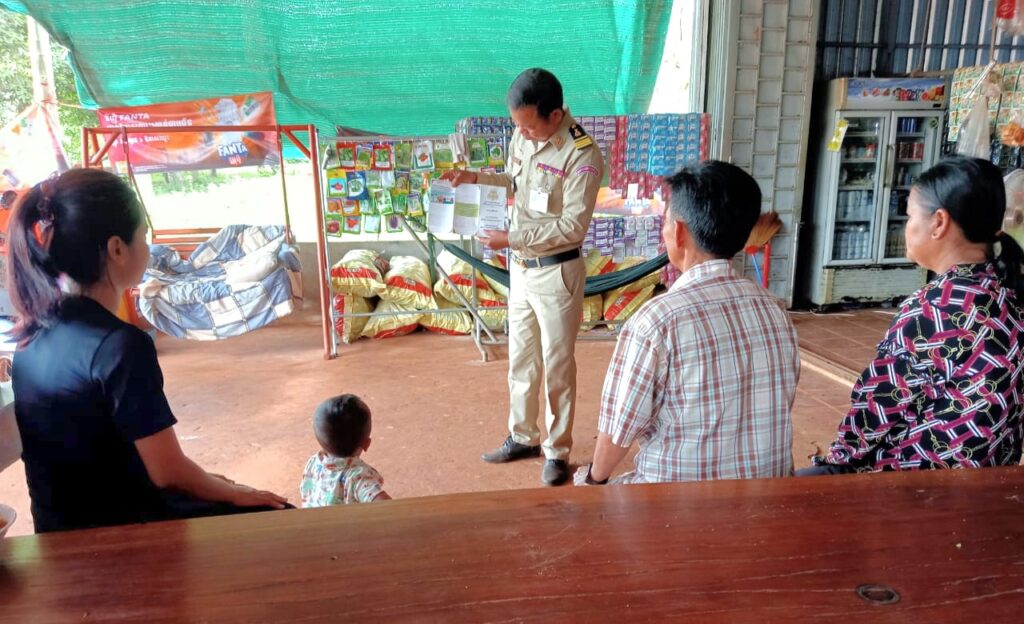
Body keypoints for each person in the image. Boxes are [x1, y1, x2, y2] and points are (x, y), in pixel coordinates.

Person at [8, 169, 289, 533]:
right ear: (117, 249)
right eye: (143, 235)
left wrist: (210, 484)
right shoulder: (120, 346)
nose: (148, 246)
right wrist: (234, 492)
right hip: (120, 534)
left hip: (58, 530)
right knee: (276, 513)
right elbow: (168, 473)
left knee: (219, 489)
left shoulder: (31, 336)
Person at [573, 161, 800, 486]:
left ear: (679, 232)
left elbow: (619, 430)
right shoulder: (775, 310)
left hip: (677, 502)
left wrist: (593, 480)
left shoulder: (655, 322)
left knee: (588, 490)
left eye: (666, 221)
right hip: (769, 495)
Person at [801, 156, 1024, 475]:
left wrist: (833, 462)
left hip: (915, 482)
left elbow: (876, 411)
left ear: (939, 223)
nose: (907, 227)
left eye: (909, 216)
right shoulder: (1008, 294)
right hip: (990, 477)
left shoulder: (935, 308)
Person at [442, 68, 604, 486]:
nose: (523, 134)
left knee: (557, 366)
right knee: (521, 359)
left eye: (529, 127)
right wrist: (475, 178)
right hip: (522, 270)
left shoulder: (582, 155)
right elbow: (514, 182)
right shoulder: (522, 135)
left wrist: (511, 238)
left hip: (556, 274)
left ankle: (557, 450)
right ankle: (523, 436)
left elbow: (572, 227)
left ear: (556, 116)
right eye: (518, 126)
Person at [299, 394, 391, 506]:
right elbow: (387, 506)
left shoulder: (313, 463)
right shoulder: (358, 477)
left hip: (312, 517)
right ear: (366, 444)